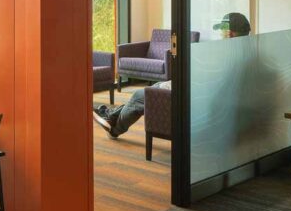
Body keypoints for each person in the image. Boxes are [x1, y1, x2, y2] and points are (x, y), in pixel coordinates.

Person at [92, 14, 251, 138]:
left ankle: (114, 129)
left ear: (229, 33)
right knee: (152, 88)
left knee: (140, 95)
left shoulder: (226, 56)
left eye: (222, 31)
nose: (220, 34)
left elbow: (206, 80)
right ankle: (111, 115)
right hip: (197, 91)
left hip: (193, 95)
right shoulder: (246, 52)